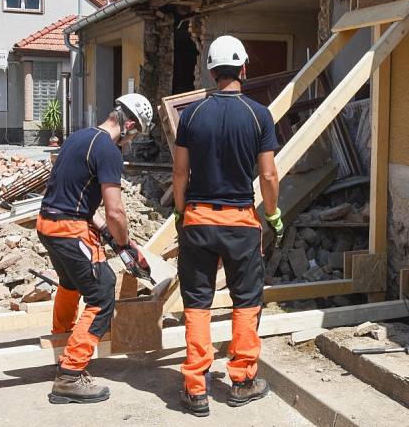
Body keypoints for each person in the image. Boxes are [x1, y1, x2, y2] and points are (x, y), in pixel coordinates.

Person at [173, 35, 283, 417]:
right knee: (247, 299)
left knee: (198, 303)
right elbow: (268, 175)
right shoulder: (258, 115)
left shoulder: (190, 115)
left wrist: (179, 210)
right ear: (244, 69)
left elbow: (180, 170)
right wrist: (272, 214)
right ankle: (242, 381)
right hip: (240, 223)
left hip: (198, 219)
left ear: (211, 70)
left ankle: (195, 389)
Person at [36, 93, 154, 404]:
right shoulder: (109, 150)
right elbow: (115, 211)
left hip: (48, 225)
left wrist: (106, 233)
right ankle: (70, 374)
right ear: (128, 124)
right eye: (135, 133)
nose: (130, 142)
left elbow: (78, 195)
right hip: (70, 231)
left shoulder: (79, 137)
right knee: (103, 291)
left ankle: (62, 343)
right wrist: (126, 243)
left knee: (71, 283)